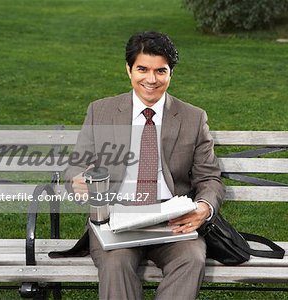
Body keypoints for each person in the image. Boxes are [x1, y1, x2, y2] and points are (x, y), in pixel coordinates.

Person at [65, 31, 225, 300]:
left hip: (172, 221)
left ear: (170, 73)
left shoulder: (193, 118)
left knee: (192, 260)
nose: (151, 80)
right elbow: (75, 167)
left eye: (160, 71)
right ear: (128, 69)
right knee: (116, 264)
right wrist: (77, 180)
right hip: (117, 219)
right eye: (142, 69)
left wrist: (203, 208)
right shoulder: (100, 112)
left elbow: (209, 178)